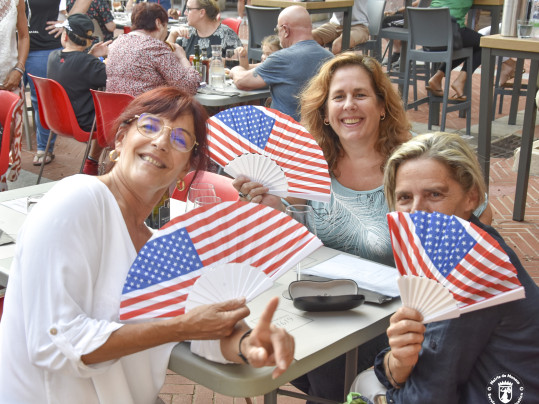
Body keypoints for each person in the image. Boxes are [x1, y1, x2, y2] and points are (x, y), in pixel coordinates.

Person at [0, 87, 295, 404]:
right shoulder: (79, 199)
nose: (162, 141)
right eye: (150, 126)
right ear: (120, 138)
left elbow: (207, 331)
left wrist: (249, 343)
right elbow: (54, 344)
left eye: (181, 139)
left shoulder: (161, 249)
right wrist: (180, 328)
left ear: (185, 169)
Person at [233, 53, 411, 402]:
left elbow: (478, 214)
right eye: (338, 97)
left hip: (388, 320)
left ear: (381, 105)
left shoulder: (410, 164)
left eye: (360, 94)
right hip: (325, 307)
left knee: (323, 374)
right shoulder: (314, 165)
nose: (349, 106)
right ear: (325, 112)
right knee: (264, 343)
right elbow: (295, 232)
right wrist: (269, 205)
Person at [349, 132, 539, 403]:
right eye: (404, 198)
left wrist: (387, 389)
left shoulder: (472, 271)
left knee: (361, 386)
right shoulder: (471, 246)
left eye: (434, 194)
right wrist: (395, 363)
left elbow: (427, 396)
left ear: (471, 198)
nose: (417, 211)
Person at [229, 5, 333, 122]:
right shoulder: (331, 58)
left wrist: (235, 69)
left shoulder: (282, 58)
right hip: (318, 133)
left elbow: (242, 82)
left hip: (284, 133)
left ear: (286, 30)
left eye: (277, 30)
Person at [24, 0, 92, 167]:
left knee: (41, 100)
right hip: (11, 46)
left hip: (43, 46)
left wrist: (68, 24)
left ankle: (44, 148)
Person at [46, 13, 109, 175]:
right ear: (88, 41)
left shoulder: (52, 57)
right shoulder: (89, 64)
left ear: (65, 35)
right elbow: (111, 77)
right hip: (84, 123)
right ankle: (96, 163)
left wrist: (90, 56)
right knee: (115, 118)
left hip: (55, 120)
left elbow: (75, 66)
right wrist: (103, 57)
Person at [106, 2, 200, 97]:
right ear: (158, 23)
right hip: (145, 110)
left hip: (114, 109)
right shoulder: (155, 47)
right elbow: (190, 87)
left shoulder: (116, 43)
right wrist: (182, 57)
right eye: (165, 26)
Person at [425, 0, 482, 100]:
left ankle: (437, 77)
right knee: (485, 43)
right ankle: (460, 81)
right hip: (450, 33)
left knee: (467, 44)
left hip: (428, 36)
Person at [0, 0, 29, 190]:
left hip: (8, 80)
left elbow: (24, 36)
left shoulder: (15, 1)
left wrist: (19, 68)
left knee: (4, 144)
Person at [167, 0, 243, 58]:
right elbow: (164, 59)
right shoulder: (188, 33)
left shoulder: (226, 34)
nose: (185, 13)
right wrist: (172, 35)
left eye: (189, 9)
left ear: (202, 12)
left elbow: (240, 67)